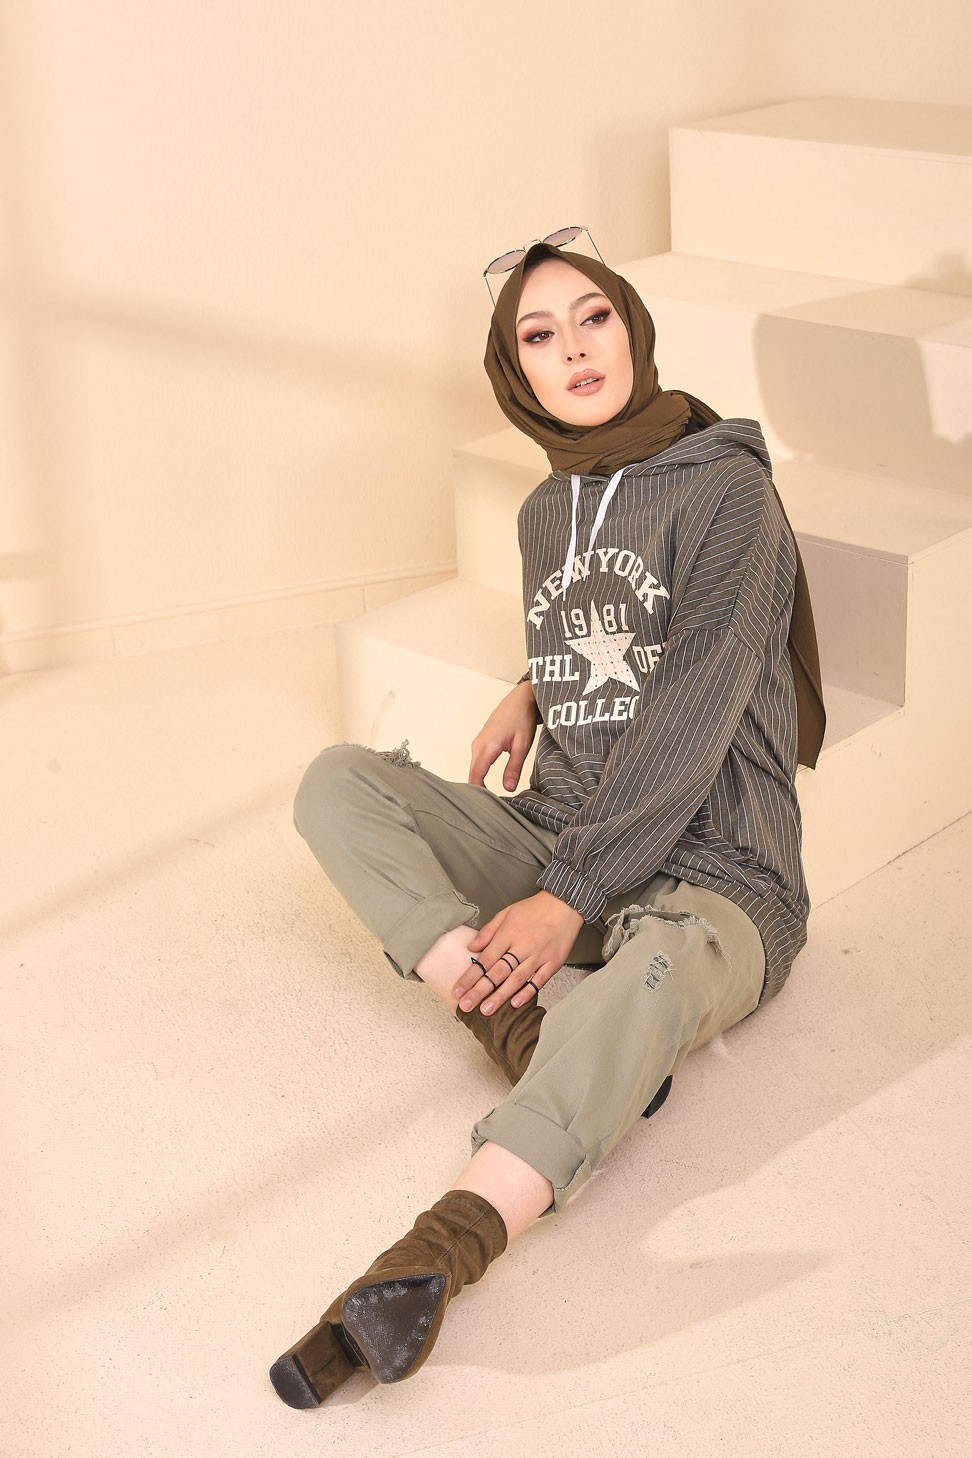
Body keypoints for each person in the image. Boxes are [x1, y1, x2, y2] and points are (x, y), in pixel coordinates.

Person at [268, 235, 826, 1409]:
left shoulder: (729, 488)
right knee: (336, 785)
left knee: (651, 977)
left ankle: (438, 1253)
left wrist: (568, 896)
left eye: (593, 318)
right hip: (568, 821)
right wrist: (532, 684)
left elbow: (693, 703)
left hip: (718, 861)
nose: (574, 348)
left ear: (633, 327)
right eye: (539, 334)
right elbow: (611, 624)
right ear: (513, 370)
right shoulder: (543, 512)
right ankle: (516, 1027)